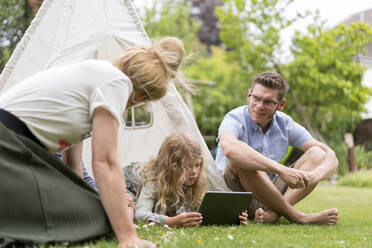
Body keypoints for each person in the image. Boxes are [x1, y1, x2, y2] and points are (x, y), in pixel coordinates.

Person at [0, 36, 186, 247]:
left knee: (96, 208)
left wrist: (82, 198)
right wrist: (127, 235)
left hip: (19, 151)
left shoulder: (95, 74)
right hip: (9, 146)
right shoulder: (117, 82)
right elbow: (105, 162)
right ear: (140, 97)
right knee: (103, 216)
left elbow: (73, 164)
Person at [215, 71, 339, 225]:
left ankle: (273, 215)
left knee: (317, 153)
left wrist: (312, 177)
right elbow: (230, 149)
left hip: (268, 196)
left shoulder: (285, 123)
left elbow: (330, 156)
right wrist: (282, 170)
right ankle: (298, 217)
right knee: (243, 160)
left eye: (268, 102)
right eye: (256, 98)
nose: (259, 106)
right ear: (248, 96)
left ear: (281, 105)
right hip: (234, 196)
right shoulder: (233, 118)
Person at [127, 133, 248, 227]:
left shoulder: (192, 179)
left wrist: (231, 217)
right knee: (130, 210)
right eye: (188, 166)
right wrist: (170, 221)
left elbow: (195, 211)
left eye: (197, 165)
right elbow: (141, 213)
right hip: (124, 188)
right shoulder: (154, 177)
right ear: (172, 166)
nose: (194, 172)